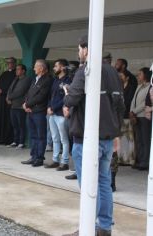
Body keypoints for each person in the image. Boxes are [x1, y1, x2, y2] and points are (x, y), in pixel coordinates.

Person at [63, 35, 124, 236]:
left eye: (79, 49)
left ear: (86, 49)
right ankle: (104, 228)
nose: (78, 53)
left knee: (89, 187)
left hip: (86, 140)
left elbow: (73, 98)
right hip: (107, 139)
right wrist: (116, 133)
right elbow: (119, 105)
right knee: (104, 184)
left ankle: (88, 228)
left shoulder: (85, 70)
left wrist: (66, 95)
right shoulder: (113, 73)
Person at [21, 59, 53, 167]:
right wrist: (25, 104)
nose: (34, 68)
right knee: (33, 135)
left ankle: (39, 158)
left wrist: (28, 104)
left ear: (42, 68)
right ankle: (33, 156)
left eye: (36, 66)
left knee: (40, 136)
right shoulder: (35, 79)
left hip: (39, 111)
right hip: (30, 111)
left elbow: (41, 96)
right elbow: (29, 93)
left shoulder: (47, 80)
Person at [45, 59, 71, 171]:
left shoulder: (68, 81)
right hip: (52, 114)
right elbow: (51, 96)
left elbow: (65, 98)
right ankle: (55, 160)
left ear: (62, 67)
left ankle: (64, 162)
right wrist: (49, 107)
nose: (54, 68)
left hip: (60, 114)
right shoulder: (55, 80)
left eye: (56, 66)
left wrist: (53, 108)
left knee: (63, 139)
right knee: (55, 138)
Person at [130, 67, 151, 171]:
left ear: (146, 75)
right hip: (136, 117)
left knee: (145, 140)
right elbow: (134, 100)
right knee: (138, 140)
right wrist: (131, 111)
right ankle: (139, 160)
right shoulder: (139, 86)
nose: (138, 76)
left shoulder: (149, 87)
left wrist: (134, 111)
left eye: (140, 74)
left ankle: (145, 162)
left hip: (143, 116)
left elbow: (145, 103)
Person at [6, 64, 31, 149]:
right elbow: (10, 89)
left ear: (23, 71)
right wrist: (7, 97)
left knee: (21, 125)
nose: (16, 71)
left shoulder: (27, 79)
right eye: (16, 69)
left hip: (20, 106)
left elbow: (21, 91)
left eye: (18, 69)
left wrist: (10, 97)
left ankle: (21, 142)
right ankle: (15, 141)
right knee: (14, 124)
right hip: (13, 105)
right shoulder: (16, 79)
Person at [0, 57, 16, 145]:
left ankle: (6, 138)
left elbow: (14, 88)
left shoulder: (15, 75)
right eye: (7, 63)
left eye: (10, 62)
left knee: (6, 119)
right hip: (0, 99)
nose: (8, 64)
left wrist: (4, 92)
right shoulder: (4, 73)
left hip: (8, 100)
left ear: (14, 63)